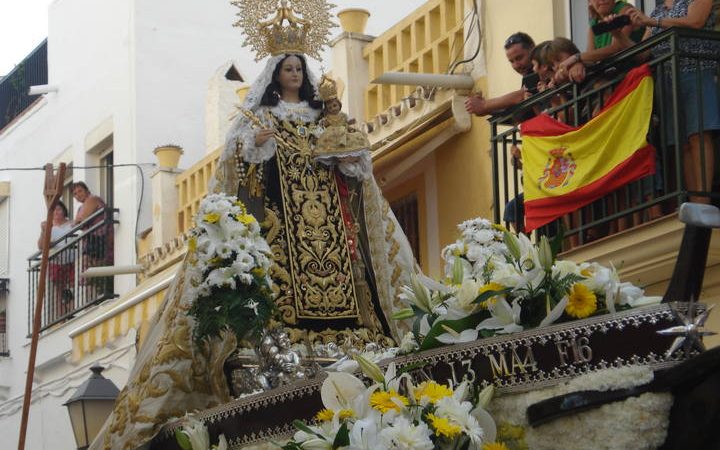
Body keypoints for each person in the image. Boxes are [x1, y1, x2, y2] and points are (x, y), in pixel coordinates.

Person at [92, 2, 418, 448]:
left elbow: (355, 171)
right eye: (286, 68)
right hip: (282, 228)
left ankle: (355, 337)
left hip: (329, 230)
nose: (294, 74)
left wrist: (346, 159)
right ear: (274, 75)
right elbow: (236, 176)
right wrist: (257, 147)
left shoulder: (326, 118)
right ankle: (284, 345)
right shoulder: (260, 120)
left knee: (348, 281)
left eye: (298, 67)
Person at [630, 0, 720, 203]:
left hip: (697, 69)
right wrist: (620, 33)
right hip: (668, 80)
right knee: (682, 143)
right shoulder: (658, 10)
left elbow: (695, 21)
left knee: (699, 135)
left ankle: (703, 199)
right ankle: (695, 199)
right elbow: (642, 53)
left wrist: (652, 21)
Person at [558, 0, 645, 82]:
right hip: (615, 78)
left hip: (636, 73)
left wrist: (576, 58)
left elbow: (616, 48)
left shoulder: (625, 10)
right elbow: (590, 60)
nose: (602, 0)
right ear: (590, 1)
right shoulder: (593, 26)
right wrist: (578, 64)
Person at [465, 32, 535, 116]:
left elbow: (521, 95)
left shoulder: (544, 67)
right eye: (512, 61)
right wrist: (489, 110)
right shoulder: (527, 77)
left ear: (532, 49)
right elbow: (517, 114)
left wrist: (484, 105)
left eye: (519, 58)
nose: (516, 65)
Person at [38, 201, 75, 317]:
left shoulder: (72, 224)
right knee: (59, 291)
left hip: (71, 261)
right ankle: (62, 316)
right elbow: (41, 246)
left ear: (64, 210)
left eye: (58, 209)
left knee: (72, 288)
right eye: (53, 210)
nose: (56, 212)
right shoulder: (49, 227)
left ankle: (71, 312)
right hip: (56, 262)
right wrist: (44, 230)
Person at [72, 181, 112, 266]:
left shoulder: (93, 199)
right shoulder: (80, 208)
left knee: (92, 265)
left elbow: (82, 220)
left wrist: (78, 221)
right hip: (91, 240)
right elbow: (75, 224)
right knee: (89, 265)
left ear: (87, 190)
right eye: (75, 193)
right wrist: (77, 222)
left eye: (80, 191)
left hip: (100, 238)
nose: (78, 195)